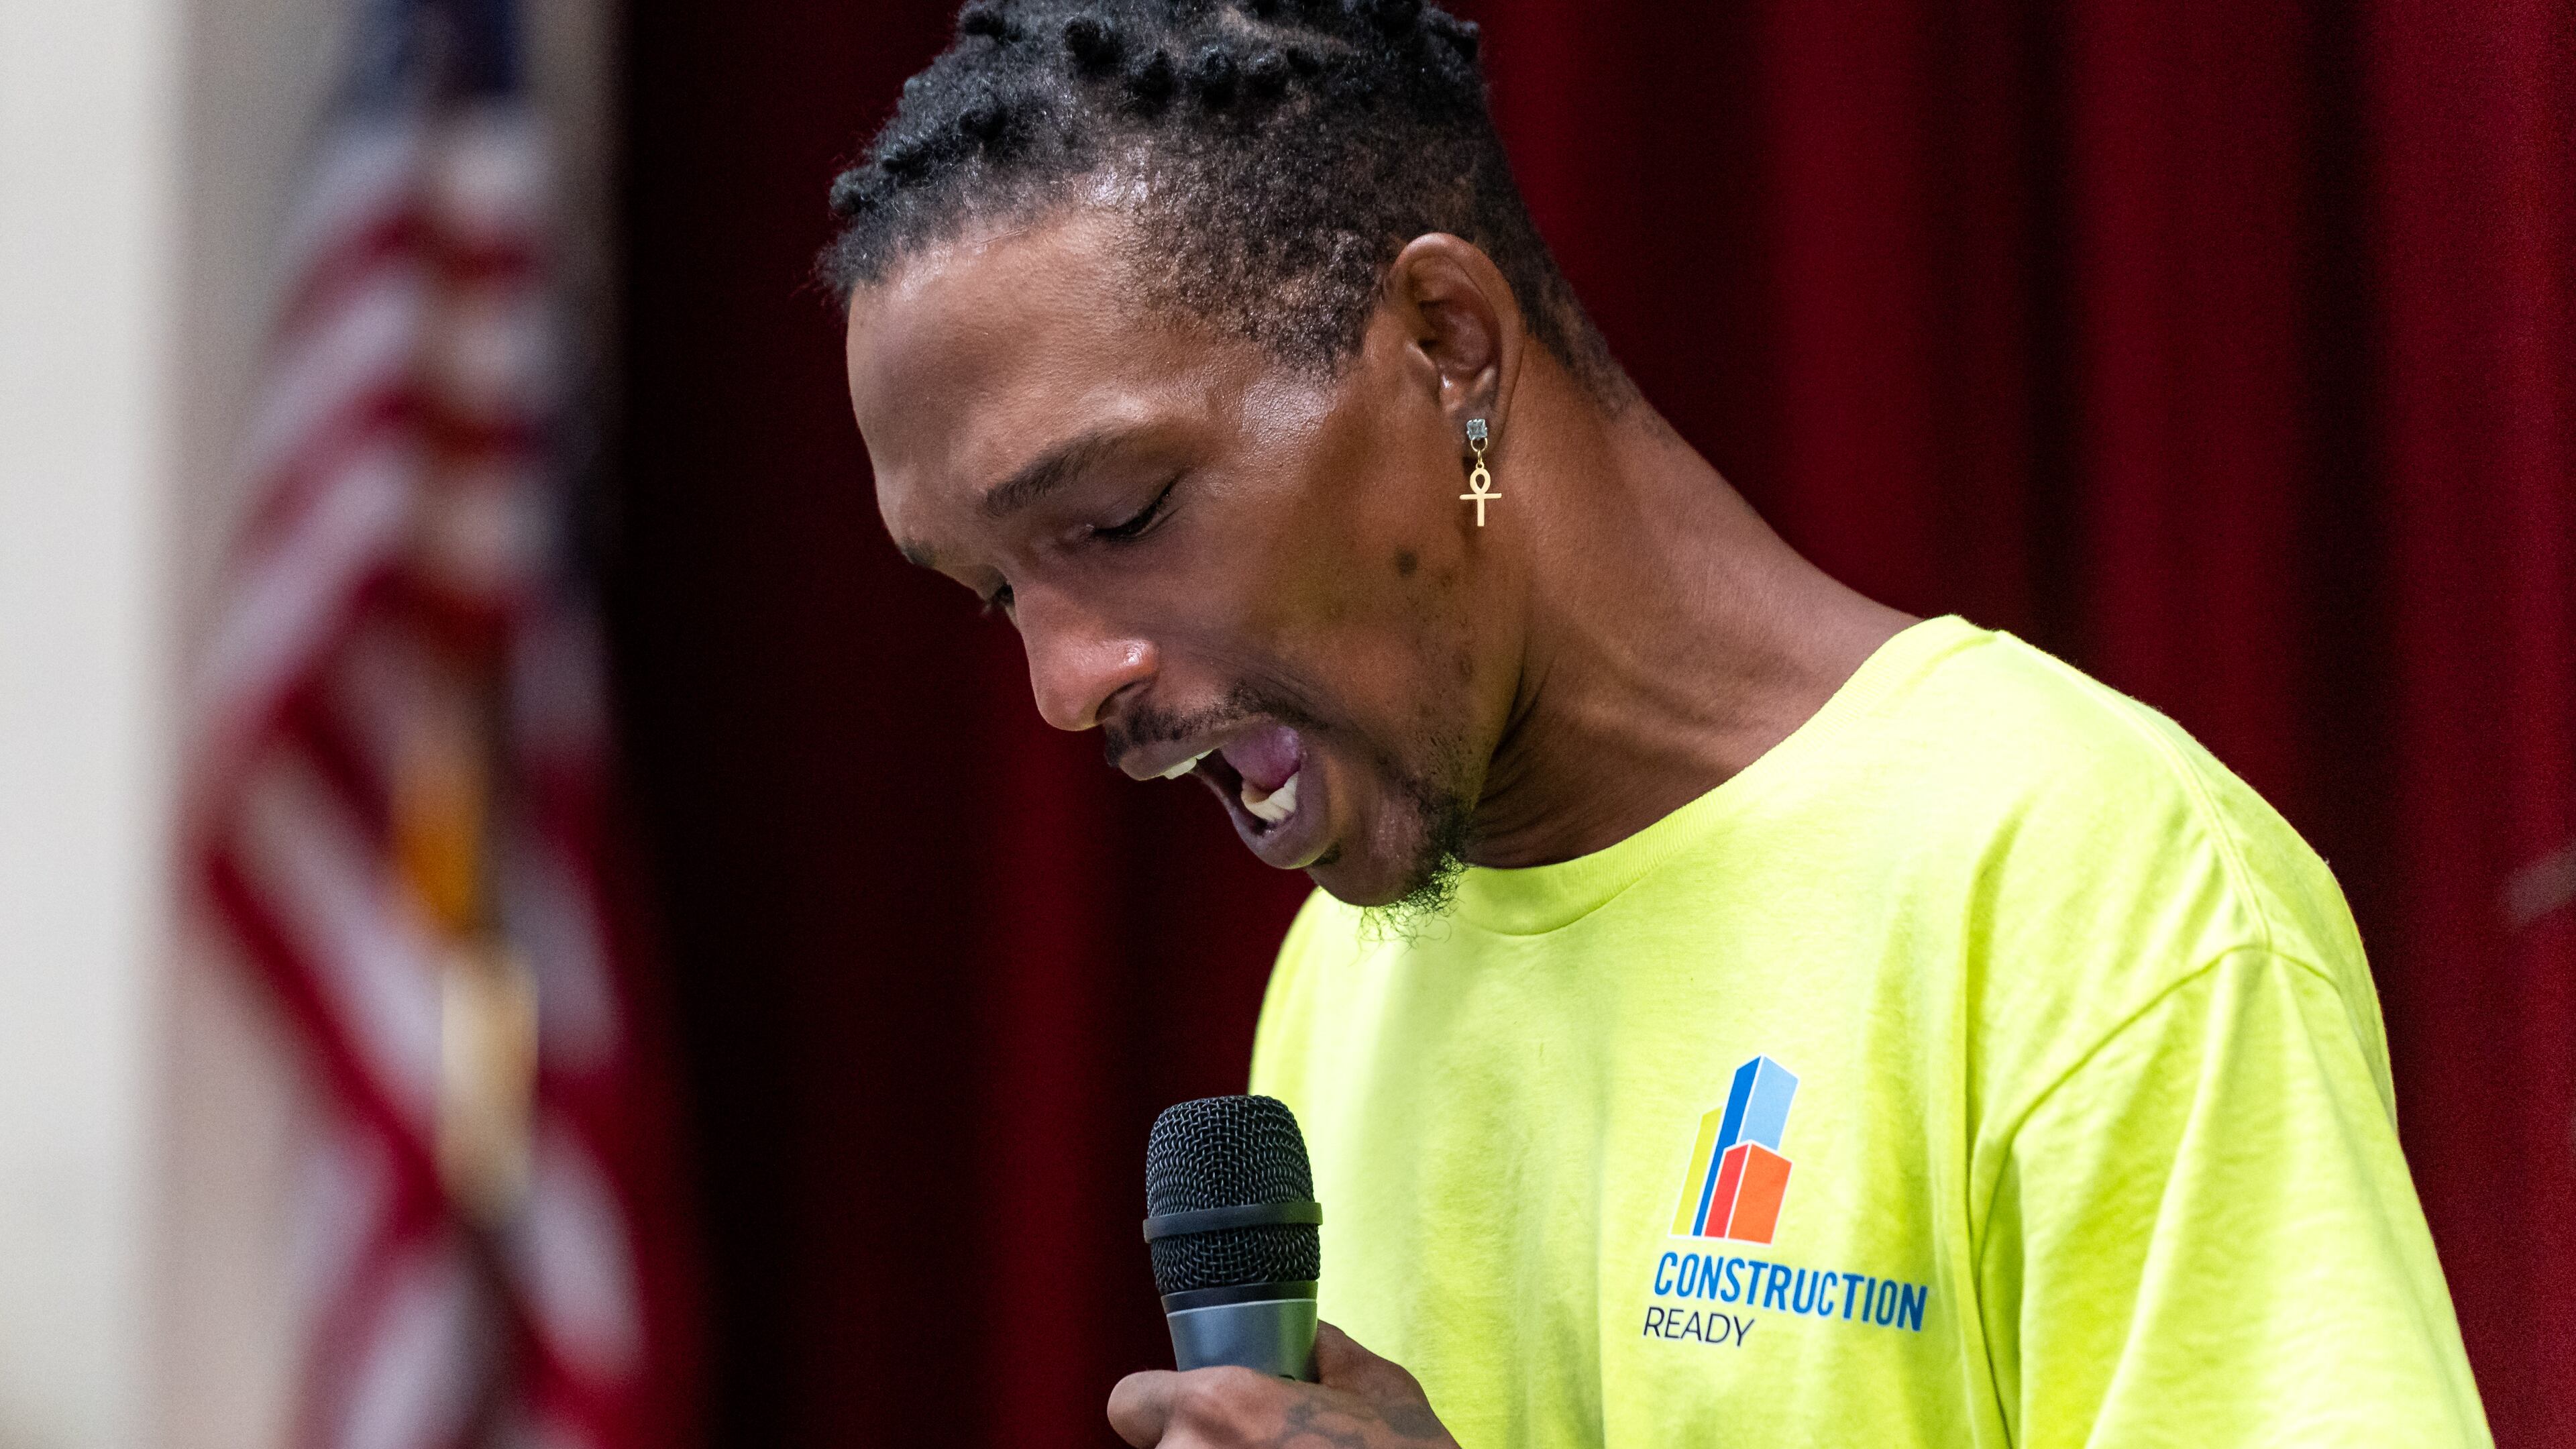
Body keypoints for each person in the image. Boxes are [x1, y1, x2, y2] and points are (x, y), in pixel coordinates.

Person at [822, 2, 2492, 1444]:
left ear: (1447, 345)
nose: (1063, 685)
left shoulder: (2092, 896)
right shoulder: (1349, 972)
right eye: (992, 594)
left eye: (1117, 521)